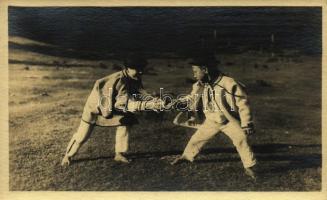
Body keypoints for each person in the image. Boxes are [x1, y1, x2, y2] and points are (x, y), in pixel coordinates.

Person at [61, 54, 164, 166]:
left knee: (125, 122)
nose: (141, 72)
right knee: (82, 135)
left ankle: (119, 154)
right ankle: (68, 155)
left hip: (115, 106)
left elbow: (139, 92)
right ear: (127, 68)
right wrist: (149, 105)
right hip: (96, 108)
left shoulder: (134, 77)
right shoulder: (119, 80)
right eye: (137, 69)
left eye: (141, 69)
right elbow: (124, 104)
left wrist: (153, 100)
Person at [171, 54, 257, 180]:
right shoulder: (200, 84)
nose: (194, 75)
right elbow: (191, 97)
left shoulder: (228, 83)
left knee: (241, 139)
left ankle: (249, 166)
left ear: (205, 70)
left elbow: (242, 102)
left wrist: (246, 123)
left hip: (229, 121)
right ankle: (186, 156)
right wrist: (178, 102)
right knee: (197, 139)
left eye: (195, 71)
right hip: (211, 120)